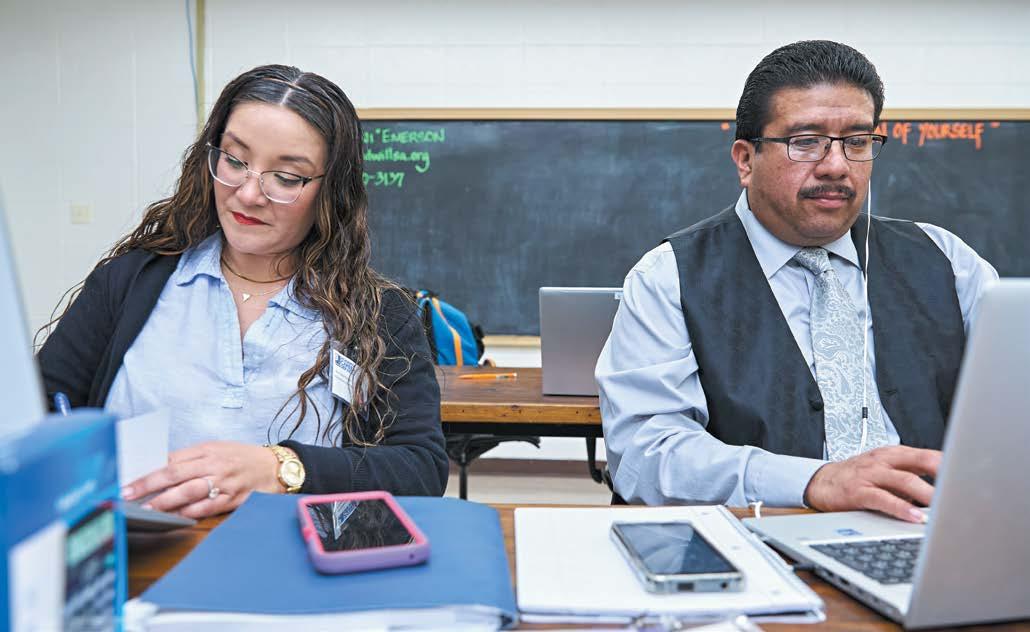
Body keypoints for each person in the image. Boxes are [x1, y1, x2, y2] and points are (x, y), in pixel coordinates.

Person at [596, 41, 998, 522]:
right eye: (805, 141)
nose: (837, 166)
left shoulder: (947, 260)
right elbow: (647, 455)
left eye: (857, 141)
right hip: (758, 536)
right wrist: (812, 482)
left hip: (933, 532)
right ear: (745, 160)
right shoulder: (668, 278)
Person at [37, 65, 448, 519]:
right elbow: (38, 414)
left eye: (286, 177)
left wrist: (282, 468)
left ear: (331, 191)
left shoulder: (378, 313)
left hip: (292, 553)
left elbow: (420, 469)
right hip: (135, 550)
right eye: (234, 161)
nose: (249, 194)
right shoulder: (130, 281)